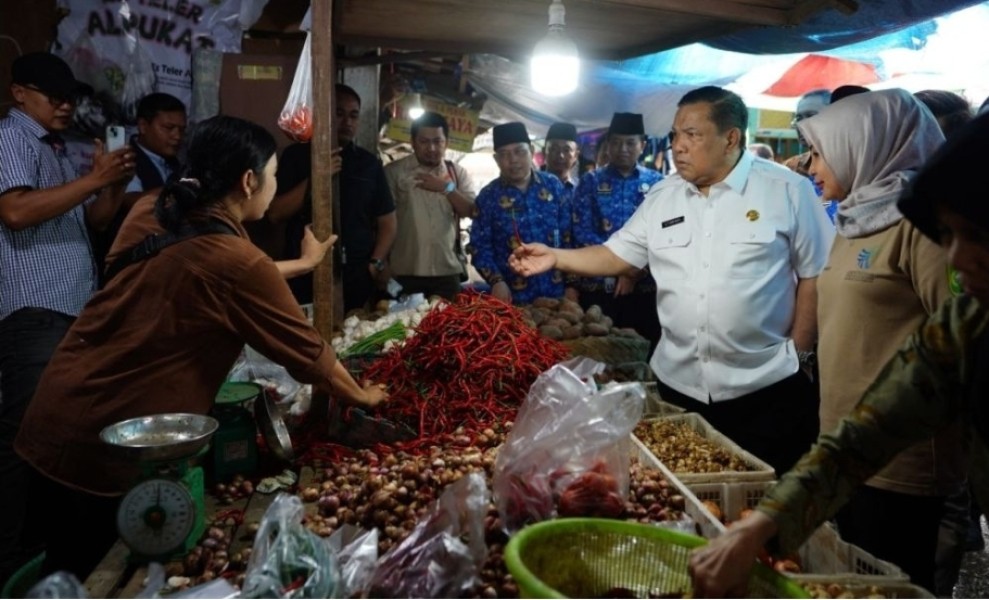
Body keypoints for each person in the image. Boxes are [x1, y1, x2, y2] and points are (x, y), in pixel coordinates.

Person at [12, 115, 389, 582]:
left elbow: (210, 271)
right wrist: (363, 396)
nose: (274, 185)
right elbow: (311, 356)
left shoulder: (152, 209)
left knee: (57, 569)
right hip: (109, 441)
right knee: (89, 576)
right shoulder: (236, 262)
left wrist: (302, 263)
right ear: (249, 181)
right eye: (273, 175)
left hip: (57, 407)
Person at [688, 111, 989, 599]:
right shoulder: (967, 322)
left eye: (975, 236)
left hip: (915, 478)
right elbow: (870, 429)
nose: (954, 258)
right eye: (948, 236)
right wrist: (764, 524)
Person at [510, 86, 833, 475]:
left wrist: (800, 354)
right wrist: (556, 256)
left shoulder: (787, 190)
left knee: (765, 496)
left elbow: (816, 272)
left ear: (731, 138)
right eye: (676, 134)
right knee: (687, 493)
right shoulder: (663, 196)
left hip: (765, 387)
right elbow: (616, 254)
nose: (678, 146)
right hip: (680, 387)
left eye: (692, 135)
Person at [799, 88, 963, 593]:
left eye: (820, 152)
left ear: (862, 146)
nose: (808, 164)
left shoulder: (924, 227)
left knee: (894, 583)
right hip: (844, 448)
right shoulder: (854, 218)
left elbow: (964, 341)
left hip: (900, 461)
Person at [0, 51, 136, 584]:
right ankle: (9, 562)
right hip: (34, 311)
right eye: (52, 97)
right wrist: (91, 179)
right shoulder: (11, 138)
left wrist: (111, 185)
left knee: (54, 436)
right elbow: (14, 211)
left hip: (68, 310)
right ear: (19, 94)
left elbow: (94, 220)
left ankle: (46, 551)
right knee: (23, 439)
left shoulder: (53, 150)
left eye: (68, 98)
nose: (64, 106)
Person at [266, 83, 396, 312]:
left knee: (356, 330)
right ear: (322, 113)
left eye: (353, 115)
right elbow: (276, 213)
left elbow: (388, 221)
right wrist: (317, 177)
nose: (347, 122)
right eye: (339, 113)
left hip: (356, 273)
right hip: (303, 271)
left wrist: (375, 263)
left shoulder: (368, 163)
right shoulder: (296, 157)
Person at [571, 112, 663, 348]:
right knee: (599, 351)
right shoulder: (590, 181)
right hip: (599, 288)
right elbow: (581, 231)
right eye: (616, 142)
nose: (623, 149)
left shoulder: (658, 183)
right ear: (608, 145)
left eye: (630, 143)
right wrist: (619, 266)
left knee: (645, 349)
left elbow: (663, 233)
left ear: (642, 145)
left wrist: (634, 271)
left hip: (644, 287)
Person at [469, 121, 573, 305]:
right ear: (496, 159)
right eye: (505, 154)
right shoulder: (487, 197)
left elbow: (569, 236)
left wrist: (572, 284)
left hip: (557, 293)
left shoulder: (553, 185)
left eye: (519, 151)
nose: (513, 160)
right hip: (512, 300)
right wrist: (496, 281)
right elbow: (479, 246)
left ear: (531, 151)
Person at [384, 111, 476, 299]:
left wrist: (446, 188)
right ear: (412, 142)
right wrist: (381, 263)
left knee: (450, 319)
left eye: (437, 141)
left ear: (446, 143)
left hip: (447, 273)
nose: (432, 148)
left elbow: (470, 211)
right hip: (406, 272)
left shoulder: (458, 173)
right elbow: (382, 222)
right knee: (405, 319)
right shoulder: (394, 173)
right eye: (424, 141)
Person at [126, 92, 187, 193]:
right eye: (169, 128)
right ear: (143, 126)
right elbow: (131, 199)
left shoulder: (176, 162)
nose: (178, 136)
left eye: (182, 130)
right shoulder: (127, 163)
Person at [541, 122, 580, 190]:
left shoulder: (581, 189)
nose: (560, 155)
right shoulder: (530, 186)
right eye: (554, 149)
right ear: (544, 152)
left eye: (566, 150)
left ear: (576, 155)